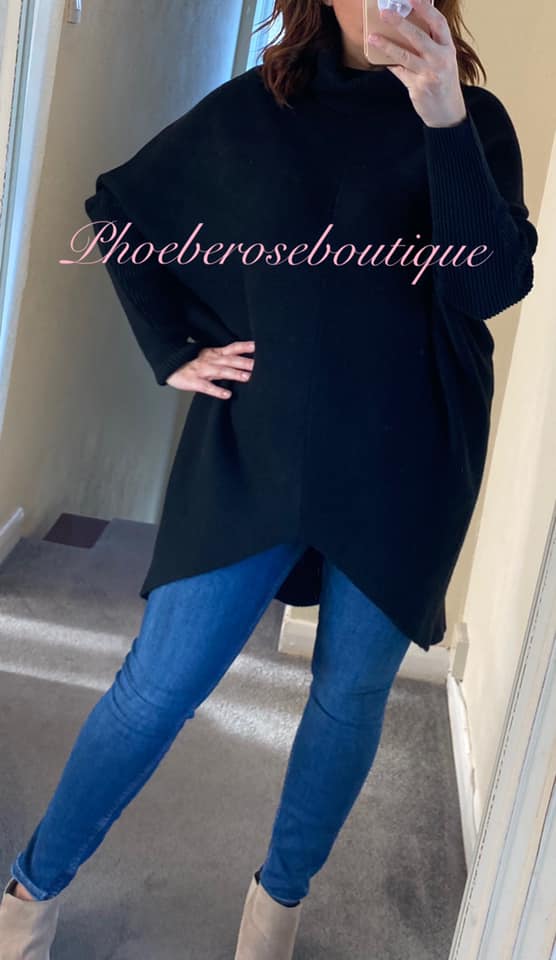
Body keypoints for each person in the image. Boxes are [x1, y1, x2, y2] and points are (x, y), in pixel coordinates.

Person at [0, 0, 537, 957]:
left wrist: (445, 120)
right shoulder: (257, 108)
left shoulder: (474, 121)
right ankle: (29, 895)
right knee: (157, 686)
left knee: (347, 700)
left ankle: (275, 912)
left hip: (408, 466)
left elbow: (489, 287)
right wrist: (173, 348)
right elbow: (121, 212)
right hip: (258, 451)